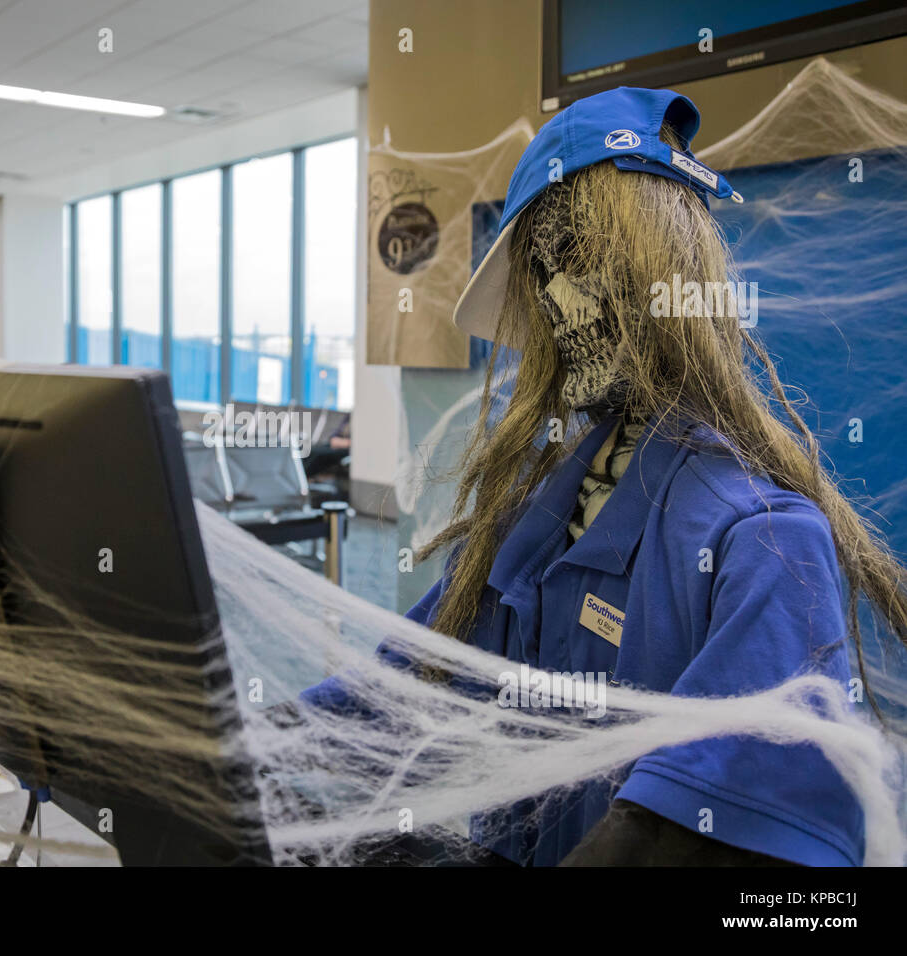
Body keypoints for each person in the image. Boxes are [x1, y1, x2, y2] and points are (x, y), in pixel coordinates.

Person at [304, 86, 907, 866]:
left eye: (580, 258)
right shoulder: (529, 525)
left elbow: (703, 833)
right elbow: (402, 687)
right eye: (542, 272)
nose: (560, 299)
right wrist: (208, 745)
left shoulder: (761, 544)